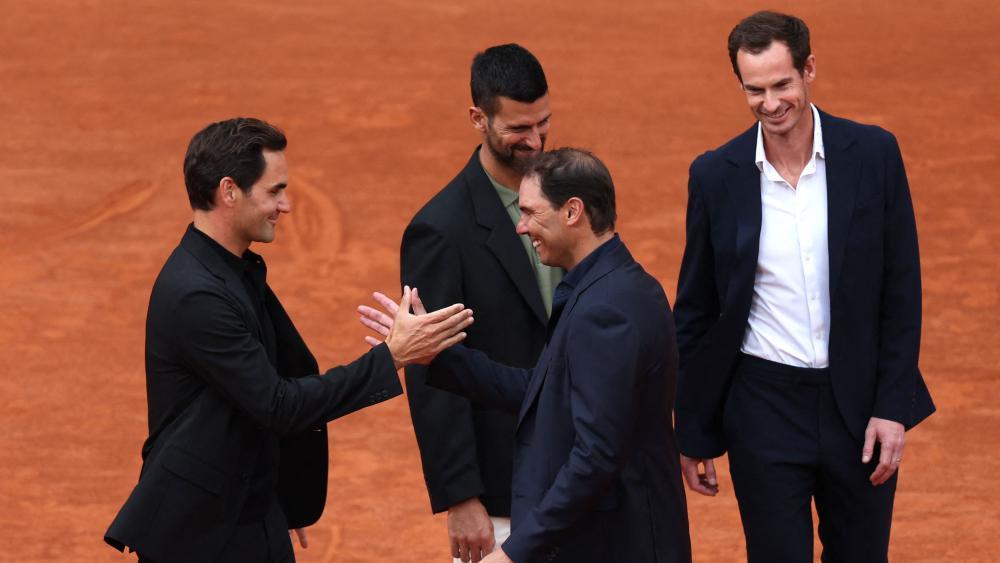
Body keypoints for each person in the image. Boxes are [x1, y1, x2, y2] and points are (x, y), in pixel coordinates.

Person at [104, 117, 474, 563]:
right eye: (274, 191)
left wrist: (279, 493)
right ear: (228, 191)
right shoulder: (196, 294)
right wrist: (391, 357)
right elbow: (278, 403)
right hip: (199, 535)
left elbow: (272, 385)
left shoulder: (233, 270)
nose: (286, 205)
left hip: (249, 510)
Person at [673, 11, 935, 562]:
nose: (770, 103)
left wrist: (891, 407)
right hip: (763, 407)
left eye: (782, 85)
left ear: (809, 69)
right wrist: (692, 429)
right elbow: (697, 309)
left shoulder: (874, 155)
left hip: (859, 409)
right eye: (755, 90)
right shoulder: (716, 175)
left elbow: (901, 291)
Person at [363, 148, 691, 563]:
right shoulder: (608, 286)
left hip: (615, 543)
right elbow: (545, 389)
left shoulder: (607, 309)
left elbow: (596, 456)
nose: (521, 227)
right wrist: (435, 356)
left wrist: (515, 550)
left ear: (572, 212)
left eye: (531, 212)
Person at [399, 43, 562, 563]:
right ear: (478, 118)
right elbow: (431, 369)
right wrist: (460, 497)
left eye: (543, 123)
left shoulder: (570, 199)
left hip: (581, 474)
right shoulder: (440, 230)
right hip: (501, 491)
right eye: (518, 129)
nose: (535, 141)